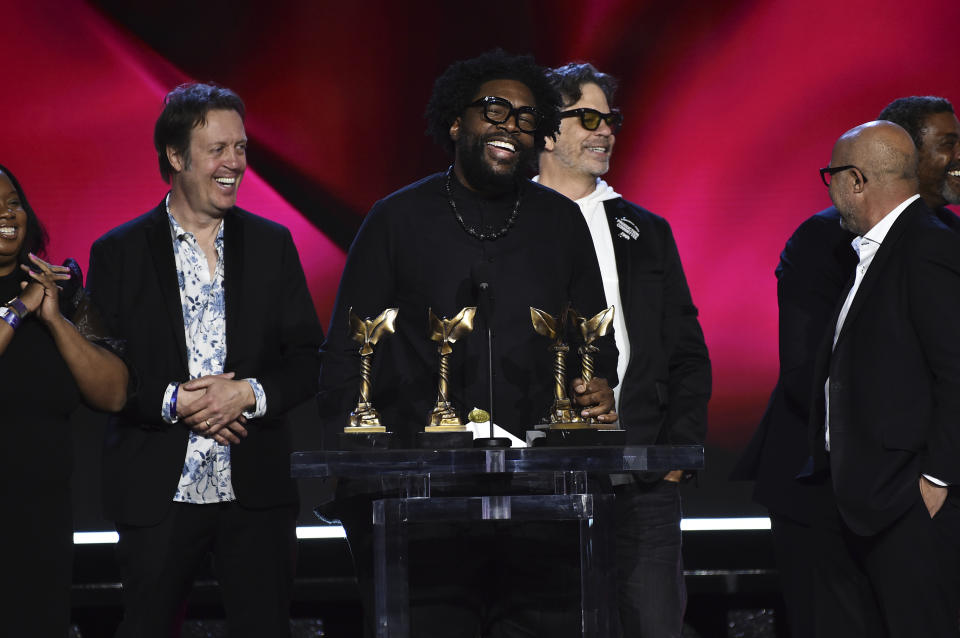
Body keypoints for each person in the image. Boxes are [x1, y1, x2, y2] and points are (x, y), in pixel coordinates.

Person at [318, 50, 617, 637]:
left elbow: (591, 346)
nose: (512, 126)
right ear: (457, 122)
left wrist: (596, 388)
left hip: (539, 501)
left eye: (528, 118)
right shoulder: (397, 220)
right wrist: (360, 482)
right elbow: (349, 355)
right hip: (420, 505)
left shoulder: (561, 224)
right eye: (496, 110)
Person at [86, 83, 323, 638]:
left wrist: (249, 394)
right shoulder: (117, 253)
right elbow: (101, 369)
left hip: (255, 494)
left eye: (240, 148)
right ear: (175, 156)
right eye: (219, 149)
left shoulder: (273, 244)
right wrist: (175, 401)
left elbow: (310, 358)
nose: (234, 164)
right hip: (158, 491)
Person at [733, 95, 960, 638]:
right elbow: (814, 372)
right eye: (946, 144)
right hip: (823, 489)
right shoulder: (829, 240)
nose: (957, 157)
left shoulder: (932, 243)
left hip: (893, 490)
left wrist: (933, 477)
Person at [535, 63, 710, 638]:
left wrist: (677, 453)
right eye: (587, 118)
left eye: (610, 119)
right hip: (540, 478)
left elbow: (685, 344)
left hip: (642, 476)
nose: (604, 130)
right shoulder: (512, 225)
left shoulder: (645, 229)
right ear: (545, 130)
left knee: (653, 623)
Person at [808, 120, 960, 637]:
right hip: (868, 501)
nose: (829, 190)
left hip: (909, 504)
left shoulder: (926, 248)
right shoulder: (878, 251)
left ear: (855, 180)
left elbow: (957, 371)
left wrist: (938, 478)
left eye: (830, 175)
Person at [0, 164, 128, 637]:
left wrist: (54, 318)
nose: (7, 214)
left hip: (42, 517)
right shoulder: (23, 301)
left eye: (14, 202)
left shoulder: (63, 289)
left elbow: (114, 392)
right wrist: (19, 308)